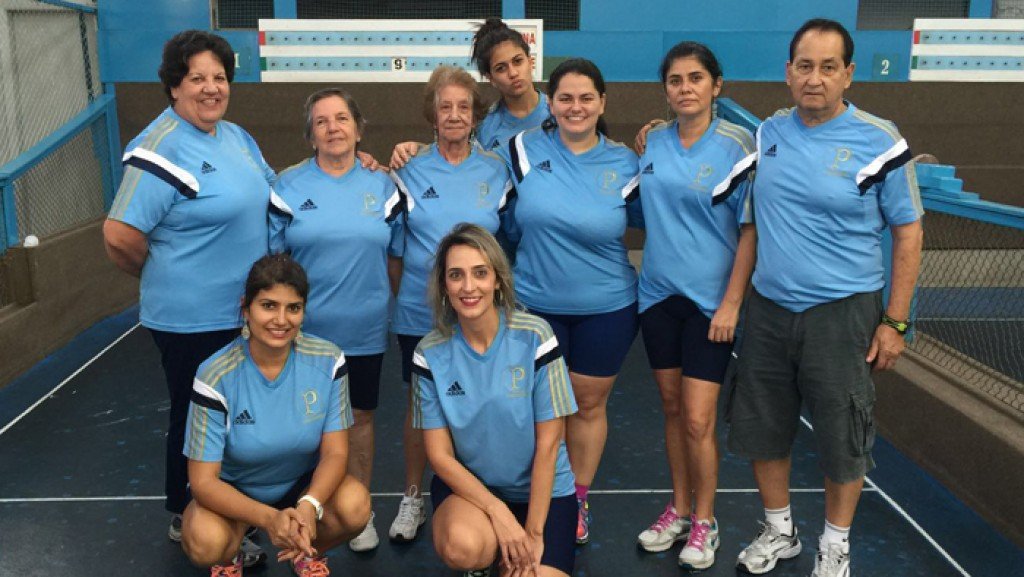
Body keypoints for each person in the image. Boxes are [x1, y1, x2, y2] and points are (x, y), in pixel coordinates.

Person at [727, 19, 923, 577]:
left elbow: (908, 233)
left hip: (843, 315)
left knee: (843, 437)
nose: (815, 78)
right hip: (769, 310)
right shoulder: (768, 133)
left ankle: (835, 544)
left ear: (848, 74)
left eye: (828, 67)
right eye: (805, 66)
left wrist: (896, 322)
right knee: (764, 427)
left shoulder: (881, 141)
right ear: (789, 73)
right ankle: (779, 530)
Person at [102, 29, 274, 565]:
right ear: (174, 86)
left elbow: (274, 191)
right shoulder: (160, 147)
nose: (211, 88)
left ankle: (232, 515)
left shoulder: (236, 137)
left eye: (219, 77)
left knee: (239, 419)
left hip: (241, 314)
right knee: (201, 420)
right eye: (197, 78)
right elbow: (119, 236)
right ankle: (191, 515)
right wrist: (169, 274)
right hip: (190, 321)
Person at [496, 58, 642, 546]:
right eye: (565, 98)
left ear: (602, 103)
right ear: (550, 103)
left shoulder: (627, 162)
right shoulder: (521, 149)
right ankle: (535, 493)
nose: (575, 107)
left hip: (607, 307)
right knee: (535, 408)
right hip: (535, 307)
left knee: (587, 404)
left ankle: (576, 498)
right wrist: (408, 149)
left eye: (586, 98)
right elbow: (469, 168)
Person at [633, 42, 757, 571]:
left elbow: (750, 231)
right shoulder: (652, 142)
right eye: (675, 80)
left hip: (711, 307)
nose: (685, 88)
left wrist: (731, 304)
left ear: (716, 85)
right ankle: (679, 509)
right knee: (673, 411)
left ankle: (706, 520)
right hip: (658, 298)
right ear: (666, 89)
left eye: (695, 78)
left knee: (699, 420)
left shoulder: (737, 145)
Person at [270, 88, 403, 552]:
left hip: (364, 330)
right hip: (303, 336)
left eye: (342, 118)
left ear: (358, 129)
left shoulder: (384, 187)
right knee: (304, 423)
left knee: (360, 419)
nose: (333, 128)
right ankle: (303, 512)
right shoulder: (287, 186)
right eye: (322, 121)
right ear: (310, 136)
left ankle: (357, 514)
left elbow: (395, 257)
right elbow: (273, 265)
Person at [181, 254, 371, 577]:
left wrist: (309, 505)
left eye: (293, 308)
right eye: (268, 306)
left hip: (299, 485)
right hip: (234, 490)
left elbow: (336, 453)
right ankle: (230, 555)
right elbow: (202, 482)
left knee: (355, 505)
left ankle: (304, 552)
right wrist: (269, 519)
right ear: (246, 309)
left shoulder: (329, 360)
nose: (281, 320)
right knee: (205, 541)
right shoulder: (214, 375)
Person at [387, 65, 513, 544]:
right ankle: (413, 496)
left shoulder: (497, 170)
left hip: (482, 315)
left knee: (479, 401)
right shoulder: (407, 168)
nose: (455, 115)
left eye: (464, 107)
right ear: (432, 115)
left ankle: (483, 493)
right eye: (446, 107)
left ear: (476, 115)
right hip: (421, 316)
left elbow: (508, 241)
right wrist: (414, 298)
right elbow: (395, 253)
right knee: (422, 408)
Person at [413, 223, 577, 577]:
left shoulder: (536, 336)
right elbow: (439, 456)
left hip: (542, 497)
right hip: (474, 494)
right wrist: (497, 511)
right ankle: (484, 557)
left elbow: (550, 445)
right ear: (444, 285)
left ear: (498, 280)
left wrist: (533, 533)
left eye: (480, 273)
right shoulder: (429, 352)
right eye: (456, 275)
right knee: (463, 547)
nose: (468, 286)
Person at [390, 17, 547, 166]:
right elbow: (453, 156)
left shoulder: (557, 112)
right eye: (501, 68)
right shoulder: (483, 127)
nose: (513, 73)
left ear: (530, 62)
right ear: (490, 78)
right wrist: (416, 150)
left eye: (518, 61)